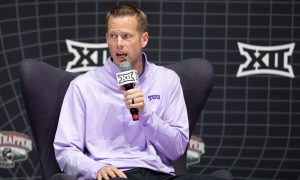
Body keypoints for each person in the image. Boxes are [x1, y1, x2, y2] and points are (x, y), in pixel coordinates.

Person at [54, 3, 231, 180]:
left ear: (143, 39)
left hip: (159, 174)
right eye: (113, 36)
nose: (119, 44)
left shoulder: (167, 80)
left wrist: (146, 114)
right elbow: (66, 151)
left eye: (126, 36)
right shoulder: (83, 86)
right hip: (114, 174)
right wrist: (96, 169)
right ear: (107, 38)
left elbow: (177, 149)